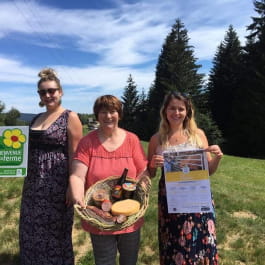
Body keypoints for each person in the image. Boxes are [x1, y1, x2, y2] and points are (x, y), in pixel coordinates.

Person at [69, 95, 149, 265]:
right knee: (104, 260)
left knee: (129, 260)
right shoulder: (87, 142)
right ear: (97, 115)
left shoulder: (132, 140)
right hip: (100, 217)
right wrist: (77, 196)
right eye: (103, 112)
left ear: (119, 114)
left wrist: (143, 186)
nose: (108, 116)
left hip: (129, 215)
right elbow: (77, 175)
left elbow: (143, 171)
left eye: (113, 111)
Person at [148, 92, 223, 265]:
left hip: (198, 199)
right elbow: (151, 174)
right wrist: (153, 164)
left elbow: (209, 171)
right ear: (165, 111)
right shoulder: (156, 139)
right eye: (172, 108)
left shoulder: (198, 135)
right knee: (175, 245)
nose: (176, 112)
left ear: (188, 111)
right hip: (171, 201)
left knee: (200, 245)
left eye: (181, 109)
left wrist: (217, 157)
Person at [19, 68, 83, 265]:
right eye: (43, 92)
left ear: (60, 91)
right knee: (30, 226)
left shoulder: (70, 117)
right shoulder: (36, 118)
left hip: (56, 183)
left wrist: (71, 185)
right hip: (33, 183)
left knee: (55, 231)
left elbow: (76, 154)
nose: (48, 95)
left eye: (51, 91)